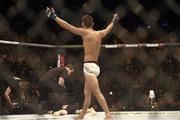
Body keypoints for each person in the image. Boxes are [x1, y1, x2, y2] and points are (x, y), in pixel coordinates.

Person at [46, 7, 119, 120]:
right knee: (87, 92)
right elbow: (108, 29)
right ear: (93, 24)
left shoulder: (84, 32)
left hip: (89, 67)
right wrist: (113, 21)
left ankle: (108, 114)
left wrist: (54, 17)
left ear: (83, 24)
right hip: (96, 66)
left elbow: (67, 26)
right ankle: (81, 115)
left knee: (96, 92)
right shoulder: (99, 34)